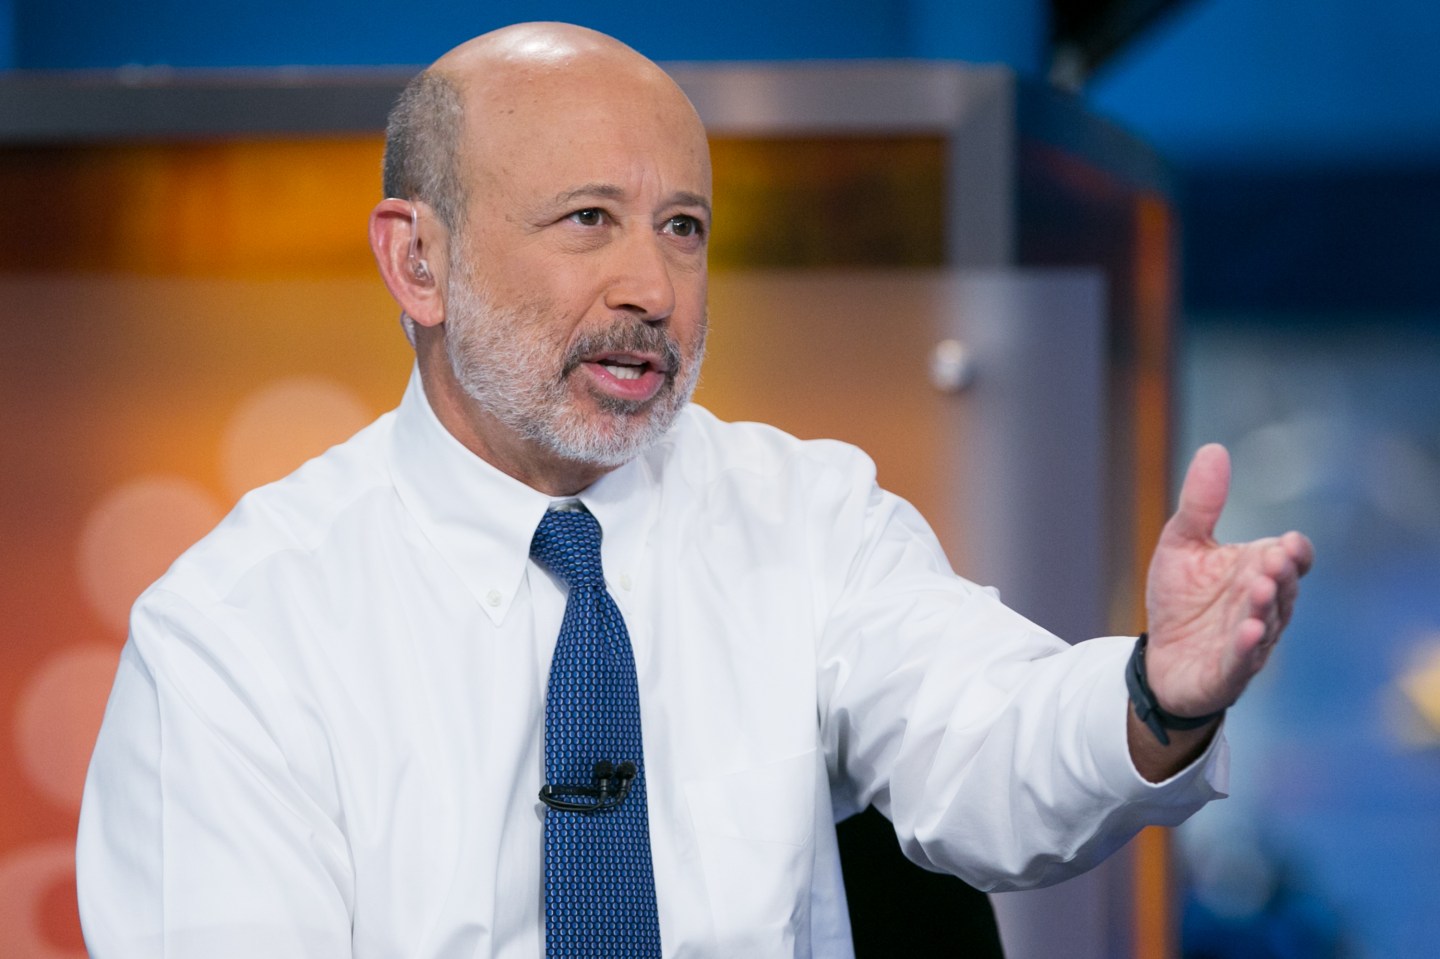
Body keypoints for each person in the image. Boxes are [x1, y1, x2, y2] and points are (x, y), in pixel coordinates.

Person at [76, 21, 1313, 959]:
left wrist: (1155, 693)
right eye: (588, 219)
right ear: (419, 261)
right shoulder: (238, 635)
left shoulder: (808, 514)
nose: (654, 290)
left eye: (682, 227)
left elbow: (988, 743)